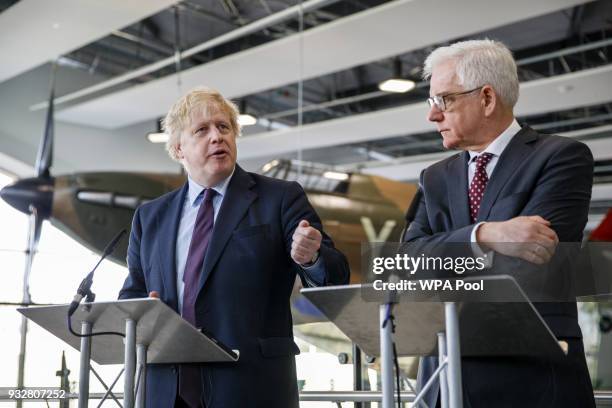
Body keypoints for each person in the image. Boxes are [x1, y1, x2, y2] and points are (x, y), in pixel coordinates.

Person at [119, 87, 350, 408]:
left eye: (224, 127)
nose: (217, 136)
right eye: (202, 130)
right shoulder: (150, 216)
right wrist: (144, 308)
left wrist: (311, 258)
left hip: (251, 385)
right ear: (177, 148)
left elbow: (335, 279)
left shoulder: (280, 197)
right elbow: (133, 293)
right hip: (166, 391)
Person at [403, 39, 595, 407]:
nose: (432, 116)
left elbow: (529, 266)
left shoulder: (561, 157)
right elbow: (408, 262)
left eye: (444, 100)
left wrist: (443, 254)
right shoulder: (434, 177)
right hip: (442, 381)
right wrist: (486, 235)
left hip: (530, 381)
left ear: (487, 98)